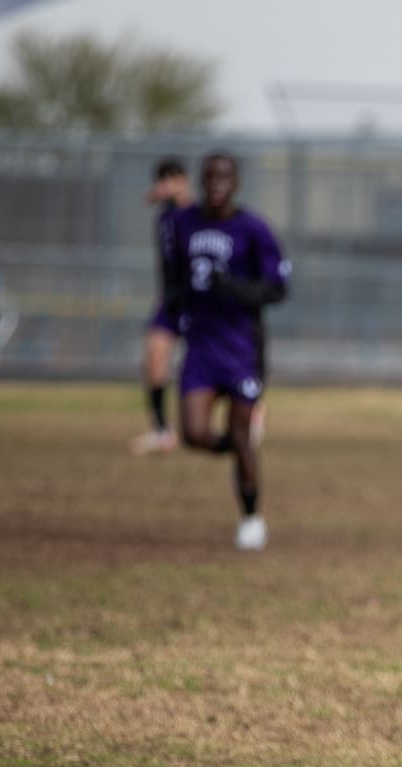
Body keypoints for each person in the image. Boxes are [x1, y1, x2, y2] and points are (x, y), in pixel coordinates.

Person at [164, 152, 290, 550]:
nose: (217, 184)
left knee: (239, 429)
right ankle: (241, 445)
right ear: (202, 180)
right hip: (200, 345)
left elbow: (277, 289)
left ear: (235, 183)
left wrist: (232, 287)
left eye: (225, 178)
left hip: (242, 348)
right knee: (194, 433)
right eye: (210, 177)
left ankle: (251, 517)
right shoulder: (182, 224)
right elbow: (172, 278)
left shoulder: (253, 229)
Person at [130, 158, 191, 456]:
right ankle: (161, 431)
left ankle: (251, 411)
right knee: (153, 357)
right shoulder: (165, 216)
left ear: (185, 180)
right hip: (170, 301)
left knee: (217, 362)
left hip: (199, 302)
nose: (165, 185)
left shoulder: (196, 213)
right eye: (161, 179)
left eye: (172, 178)